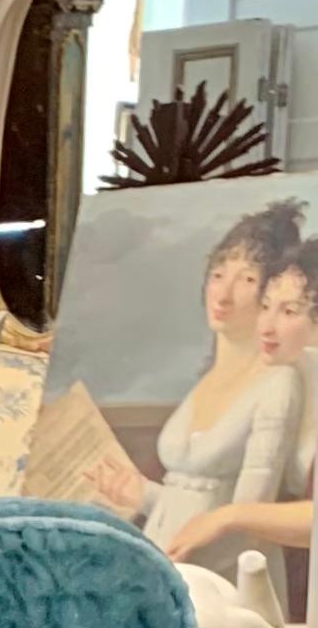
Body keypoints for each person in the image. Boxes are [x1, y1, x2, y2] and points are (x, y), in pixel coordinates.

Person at [92, 199, 307, 554]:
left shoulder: (277, 385)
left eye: (247, 279)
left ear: (271, 291)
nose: (222, 294)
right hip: (167, 565)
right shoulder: (208, 380)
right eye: (218, 274)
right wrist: (142, 493)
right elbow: (191, 504)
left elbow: (245, 524)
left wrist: (176, 571)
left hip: (219, 583)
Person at [168, 233, 318, 578]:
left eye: (289, 311)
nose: (265, 326)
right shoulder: (295, 379)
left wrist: (227, 516)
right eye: (265, 306)